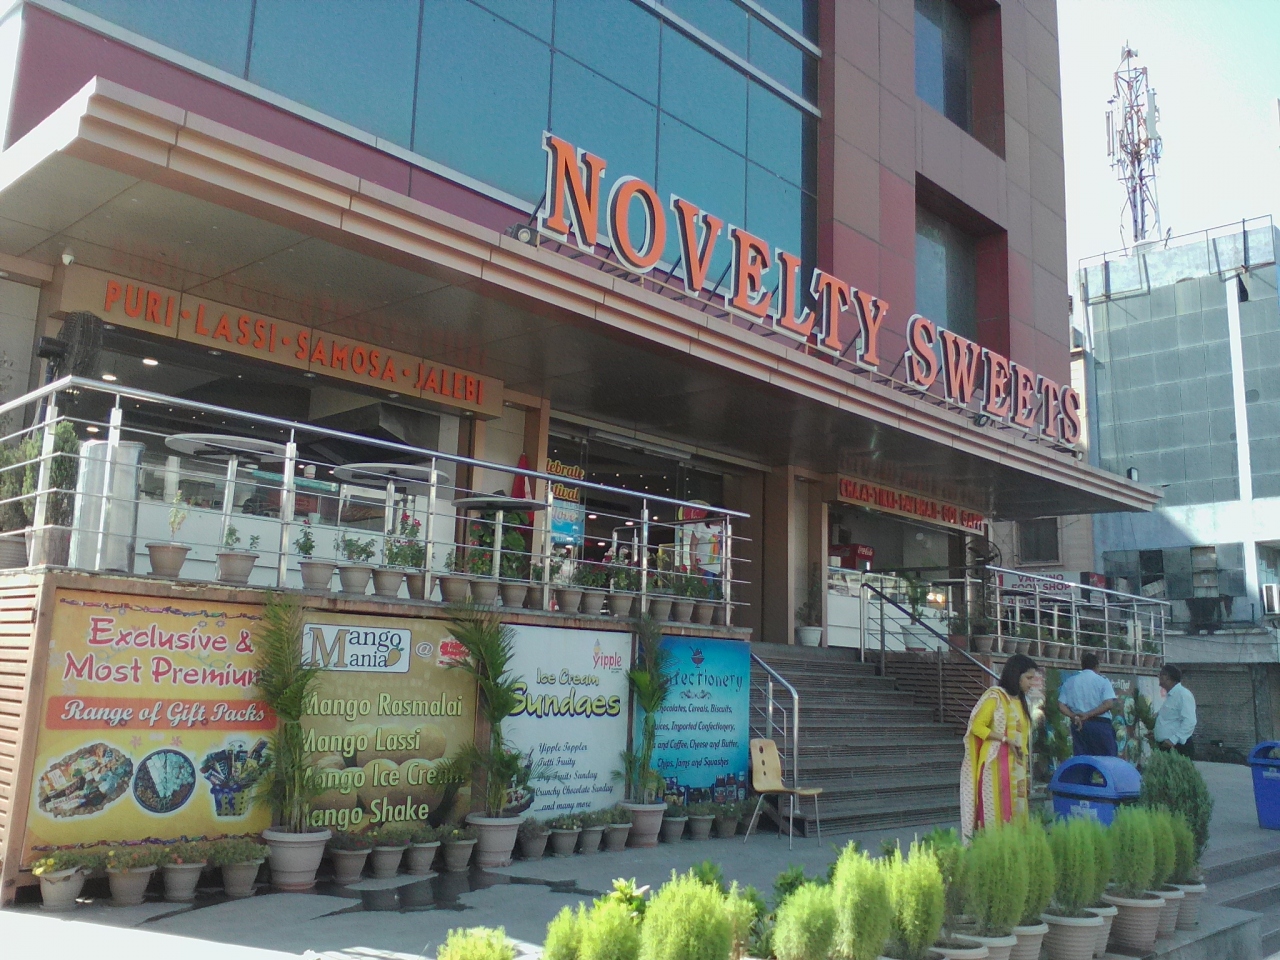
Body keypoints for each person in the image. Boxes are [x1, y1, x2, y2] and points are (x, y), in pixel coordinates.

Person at [960, 653, 1039, 841]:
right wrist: (1005, 739)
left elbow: (1022, 739)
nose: (1031, 683)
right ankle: (993, 849)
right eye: (1028, 678)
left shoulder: (1021, 701)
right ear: (1016, 675)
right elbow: (977, 727)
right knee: (996, 813)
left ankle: (1012, 850)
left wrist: (1027, 772)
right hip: (995, 765)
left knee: (1016, 814)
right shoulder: (995, 696)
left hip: (1016, 767)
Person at [1058, 652, 1120, 757]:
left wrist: (1073, 715)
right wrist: (1088, 714)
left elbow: (1061, 705)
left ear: (1082, 666)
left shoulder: (1070, 682)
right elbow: (1108, 704)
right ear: (1097, 666)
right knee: (1107, 761)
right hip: (1100, 725)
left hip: (1079, 725)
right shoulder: (1102, 681)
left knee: (1083, 760)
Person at [1154, 664, 1197, 758]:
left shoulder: (1183, 694)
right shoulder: (1171, 696)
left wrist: (1173, 739)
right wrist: (1155, 732)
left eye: (1162, 674)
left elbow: (1190, 721)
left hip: (1178, 747)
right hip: (1167, 746)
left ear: (1169, 677)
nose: (1159, 677)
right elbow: (1169, 720)